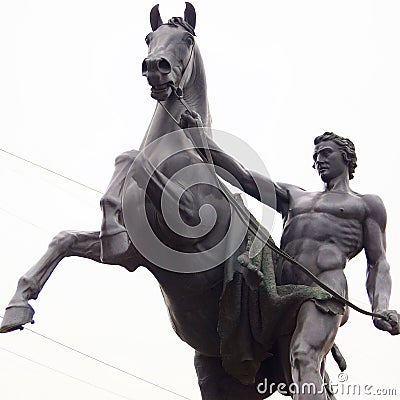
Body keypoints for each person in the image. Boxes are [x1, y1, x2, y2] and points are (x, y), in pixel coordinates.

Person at [100, 111, 399, 398]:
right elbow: (242, 177)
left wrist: (381, 305)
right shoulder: (295, 196)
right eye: (315, 156)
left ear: (346, 157)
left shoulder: (367, 205)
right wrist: (202, 138)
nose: (318, 160)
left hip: (324, 287)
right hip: (278, 291)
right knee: (221, 360)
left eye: (326, 153)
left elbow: (378, 263)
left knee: (303, 355)